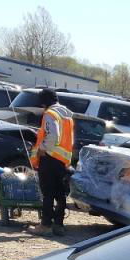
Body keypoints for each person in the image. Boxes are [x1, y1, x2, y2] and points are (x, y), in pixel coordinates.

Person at [29, 88, 74, 236]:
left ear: (44, 102)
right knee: (60, 193)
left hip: (49, 158)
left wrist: (42, 148)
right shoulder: (67, 115)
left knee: (47, 193)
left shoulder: (50, 114)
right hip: (62, 160)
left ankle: (45, 225)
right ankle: (58, 225)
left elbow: (53, 135)